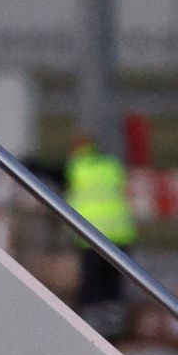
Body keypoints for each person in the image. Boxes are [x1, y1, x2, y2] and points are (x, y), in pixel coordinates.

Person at [64, 131, 135, 336]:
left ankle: (92, 332)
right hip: (120, 234)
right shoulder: (112, 166)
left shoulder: (76, 168)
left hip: (91, 237)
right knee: (112, 286)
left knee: (92, 285)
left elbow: (49, 172)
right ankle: (115, 330)